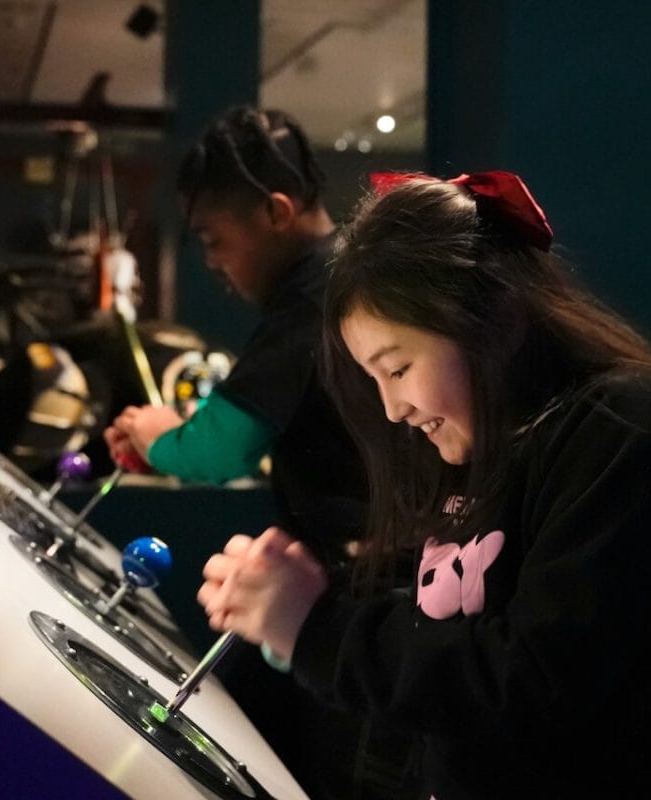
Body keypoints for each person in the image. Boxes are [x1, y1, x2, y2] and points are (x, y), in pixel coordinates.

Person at [199, 172, 651, 799]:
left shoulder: (628, 425)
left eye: (397, 368)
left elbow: (535, 680)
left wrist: (315, 629)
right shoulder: (487, 442)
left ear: (497, 322)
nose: (393, 409)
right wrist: (296, 607)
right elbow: (452, 614)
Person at [104, 106, 419, 799]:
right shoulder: (344, 278)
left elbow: (222, 450)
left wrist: (158, 435)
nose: (213, 264)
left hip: (358, 588)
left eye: (215, 241)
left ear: (276, 211)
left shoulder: (313, 294)